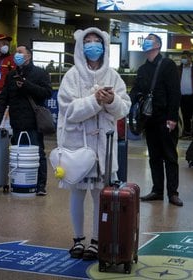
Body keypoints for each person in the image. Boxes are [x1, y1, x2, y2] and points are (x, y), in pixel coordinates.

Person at [56, 27, 130, 260]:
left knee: (101, 195)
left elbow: (123, 108)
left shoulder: (113, 76)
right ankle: (78, 239)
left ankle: (98, 240)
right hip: (77, 144)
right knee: (77, 193)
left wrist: (112, 100)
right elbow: (68, 111)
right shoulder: (71, 76)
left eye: (96, 41)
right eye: (87, 41)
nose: (92, 45)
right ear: (80, 46)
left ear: (105, 46)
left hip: (103, 146)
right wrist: (95, 101)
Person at [0, 45, 52, 196]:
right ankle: (20, 182)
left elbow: (46, 93)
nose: (16, 55)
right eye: (15, 52)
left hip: (33, 123)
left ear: (29, 56)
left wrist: (26, 85)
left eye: (20, 52)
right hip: (16, 122)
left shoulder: (40, 73)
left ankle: (40, 185)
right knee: (18, 155)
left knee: (37, 153)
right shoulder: (11, 75)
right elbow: (3, 98)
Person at [130, 33, 183, 207]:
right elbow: (136, 90)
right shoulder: (143, 68)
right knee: (153, 156)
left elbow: (174, 92)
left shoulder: (168, 65)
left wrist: (173, 118)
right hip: (149, 120)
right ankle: (157, 190)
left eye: (150, 40)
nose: (146, 42)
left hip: (165, 118)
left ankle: (173, 193)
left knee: (170, 156)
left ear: (158, 45)